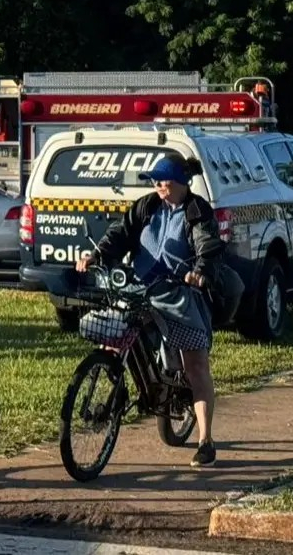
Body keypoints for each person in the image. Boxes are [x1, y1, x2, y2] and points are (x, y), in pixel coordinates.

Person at [76, 151, 222, 467]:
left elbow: (207, 245)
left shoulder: (196, 210)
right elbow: (120, 233)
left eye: (162, 180)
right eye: (154, 181)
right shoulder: (147, 205)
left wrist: (200, 271)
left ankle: (206, 440)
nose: (157, 185)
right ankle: (114, 382)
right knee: (111, 336)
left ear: (180, 182)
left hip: (177, 293)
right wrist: (97, 255)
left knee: (196, 365)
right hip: (138, 287)